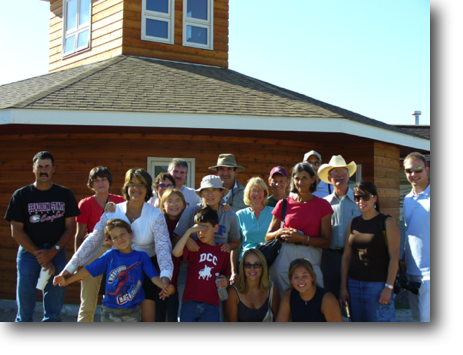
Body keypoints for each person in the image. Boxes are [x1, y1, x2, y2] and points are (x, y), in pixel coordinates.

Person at [60, 168, 174, 322]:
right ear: (126, 187)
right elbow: (93, 239)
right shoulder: (114, 211)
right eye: (132, 184)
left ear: (147, 188)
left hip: (146, 268)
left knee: (147, 318)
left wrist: (165, 277)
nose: (136, 188)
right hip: (118, 270)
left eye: (141, 184)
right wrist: (70, 269)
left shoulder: (156, 215)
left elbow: (163, 248)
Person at [4, 151, 80, 322]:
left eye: (47, 167)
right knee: (25, 304)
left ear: (53, 169)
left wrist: (52, 252)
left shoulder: (65, 194)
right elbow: (16, 231)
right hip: (29, 255)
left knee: (54, 305)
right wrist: (41, 256)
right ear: (34, 169)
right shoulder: (21, 195)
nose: (43, 170)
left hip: (57, 254)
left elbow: (70, 228)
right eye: (40, 167)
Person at [54, 219, 175, 322]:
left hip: (133, 310)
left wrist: (165, 286)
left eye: (122, 234)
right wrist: (67, 280)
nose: (120, 239)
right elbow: (89, 270)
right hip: (110, 310)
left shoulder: (141, 257)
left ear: (131, 234)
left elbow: (153, 276)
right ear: (111, 242)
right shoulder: (110, 256)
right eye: (115, 237)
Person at [266, 163, 333, 296]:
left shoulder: (323, 205)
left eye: (304, 178)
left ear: (313, 180)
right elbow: (268, 236)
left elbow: (326, 242)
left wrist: (303, 239)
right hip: (285, 255)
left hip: (310, 255)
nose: (300, 182)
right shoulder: (283, 204)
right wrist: (280, 232)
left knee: (312, 296)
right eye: (297, 178)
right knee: (283, 296)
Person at [339, 181, 400, 322]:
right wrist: (343, 287)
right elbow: (346, 257)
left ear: (375, 198)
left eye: (365, 197)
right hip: (353, 284)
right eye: (357, 198)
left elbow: (394, 257)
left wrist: (388, 288)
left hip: (377, 286)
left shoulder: (387, 222)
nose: (361, 201)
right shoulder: (352, 223)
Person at [75, 166, 126, 322]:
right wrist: (79, 262)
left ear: (109, 182)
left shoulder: (120, 201)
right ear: (91, 184)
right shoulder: (85, 204)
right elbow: (80, 235)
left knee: (116, 299)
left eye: (103, 179)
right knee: (88, 300)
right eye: (96, 180)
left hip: (117, 253)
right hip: (93, 254)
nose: (100, 183)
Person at [173, 207, 231, 322]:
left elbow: (227, 275)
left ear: (215, 228)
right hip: (189, 301)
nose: (201, 233)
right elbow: (176, 252)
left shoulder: (222, 251)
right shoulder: (194, 247)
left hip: (211, 304)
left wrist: (226, 280)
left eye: (205, 228)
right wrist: (189, 232)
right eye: (198, 229)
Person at [317, 155, 362, 300]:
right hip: (330, 258)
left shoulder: (360, 201)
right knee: (331, 299)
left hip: (356, 258)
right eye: (334, 172)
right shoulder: (324, 204)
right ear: (329, 178)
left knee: (356, 300)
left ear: (349, 176)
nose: (339, 176)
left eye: (342, 171)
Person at [174, 175, 241, 253]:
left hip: (218, 263)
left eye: (214, 190)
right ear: (201, 193)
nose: (210, 194)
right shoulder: (190, 212)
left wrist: (228, 246)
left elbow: (235, 242)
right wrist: (187, 240)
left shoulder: (230, 215)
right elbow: (176, 239)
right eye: (206, 190)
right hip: (191, 263)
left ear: (221, 193)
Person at [403, 152, 430, 322]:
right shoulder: (407, 199)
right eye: (408, 171)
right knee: (417, 318)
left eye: (417, 169)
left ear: (427, 169)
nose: (413, 174)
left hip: (429, 272)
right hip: (412, 271)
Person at [232, 177, 274, 282]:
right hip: (245, 263)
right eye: (254, 190)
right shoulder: (240, 215)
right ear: (248, 194)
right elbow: (234, 244)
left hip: (268, 262)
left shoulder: (273, 213)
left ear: (265, 193)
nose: (257, 194)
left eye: (260, 190)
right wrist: (233, 272)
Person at [155, 189, 187, 322]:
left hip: (178, 280)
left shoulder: (187, 223)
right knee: (158, 316)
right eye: (170, 201)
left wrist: (172, 285)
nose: (174, 204)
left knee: (174, 315)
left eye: (178, 201)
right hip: (158, 279)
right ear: (163, 205)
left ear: (184, 205)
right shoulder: (158, 223)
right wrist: (163, 284)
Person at [276, 258, 342, 323]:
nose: (300, 281)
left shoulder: (327, 299)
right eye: (296, 277)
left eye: (304, 276)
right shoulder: (288, 296)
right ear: (291, 280)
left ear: (312, 277)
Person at [225, 249, 280, 322]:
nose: (252, 269)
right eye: (247, 265)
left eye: (257, 265)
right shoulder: (232, 292)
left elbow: (278, 319)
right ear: (243, 268)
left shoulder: (273, 288)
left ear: (263, 267)